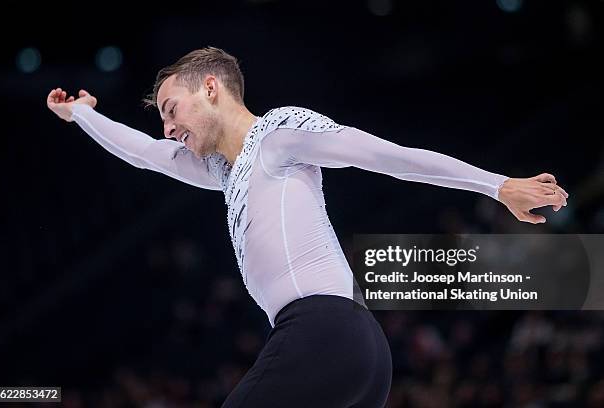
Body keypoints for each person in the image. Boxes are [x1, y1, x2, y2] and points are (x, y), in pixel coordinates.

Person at [46, 46, 569, 407]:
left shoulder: (279, 134)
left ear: (210, 88)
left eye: (170, 108)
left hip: (325, 335)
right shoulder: (222, 171)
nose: (167, 127)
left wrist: (497, 185)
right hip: (357, 359)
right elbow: (147, 155)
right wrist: (83, 117)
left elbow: (386, 156)